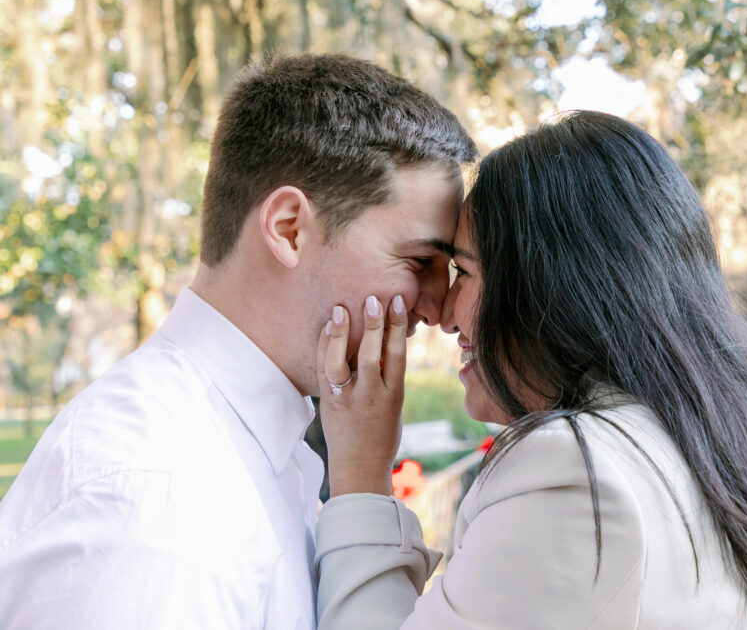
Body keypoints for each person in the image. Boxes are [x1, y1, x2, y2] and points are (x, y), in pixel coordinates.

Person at [311, 111, 747, 629]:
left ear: (548, 289)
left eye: (464, 272)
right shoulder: (712, 438)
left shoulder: (573, 470)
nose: (440, 310)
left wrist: (361, 471)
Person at [0, 53, 476, 629]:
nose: (439, 306)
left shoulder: (250, 449)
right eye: (421, 260)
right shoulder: (160, 500)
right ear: (288, 229)